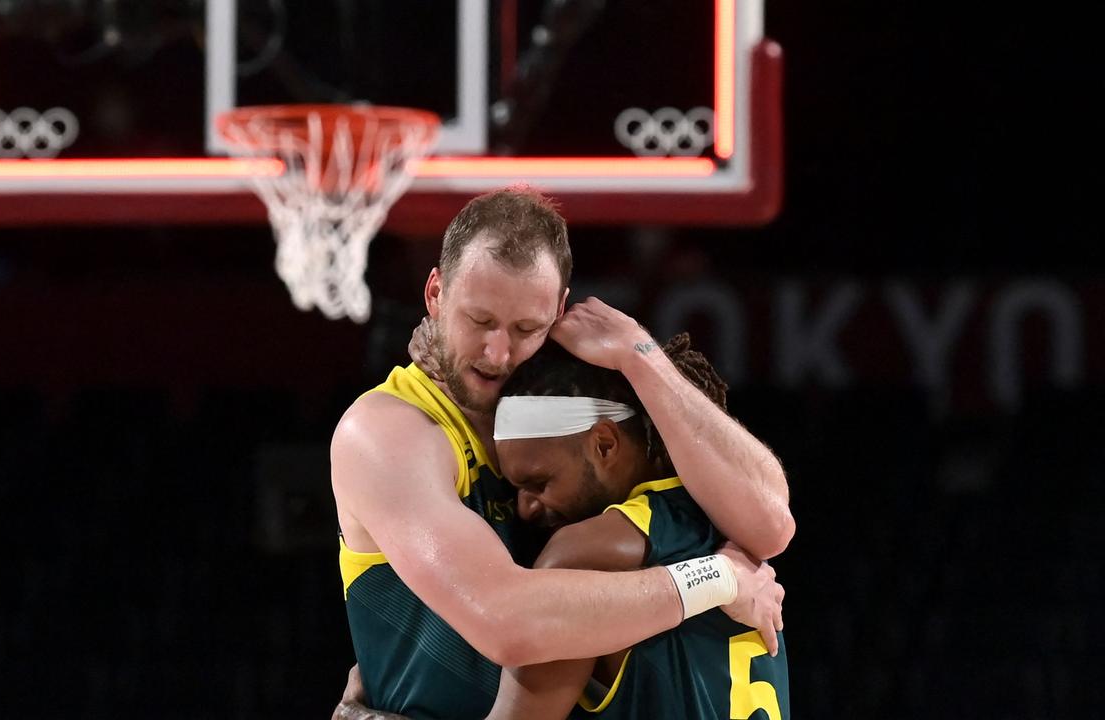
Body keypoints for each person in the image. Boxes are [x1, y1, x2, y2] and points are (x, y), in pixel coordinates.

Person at [331, 187, 792, 718]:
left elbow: (771, 523)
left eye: (527, 328)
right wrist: (717, 578)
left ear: (557, 311)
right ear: (435, 293)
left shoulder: (559, 400)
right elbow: (508, 623)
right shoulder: (388, 431)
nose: (498, 353)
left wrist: (640, 354)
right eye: (478, 320)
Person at [481, 335, 790, 719]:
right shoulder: (732, 527)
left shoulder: (585, 552)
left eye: (538, 483)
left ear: (606, 445)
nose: (525, 508)